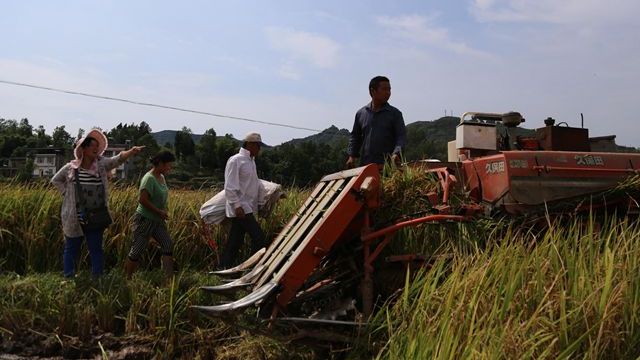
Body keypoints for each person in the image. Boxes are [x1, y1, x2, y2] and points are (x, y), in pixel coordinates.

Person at [51, 128, 144, 278]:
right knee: (72, 247)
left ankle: (97, 277)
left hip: (96, 215)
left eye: (97, 146)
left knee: (96, 248)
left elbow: (116, 160)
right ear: (83, 149)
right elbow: (55, 180)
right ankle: (69, 276)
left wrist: (131, 151)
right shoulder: (71, 168)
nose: (95, 148)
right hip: (74, 216)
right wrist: (66, 193)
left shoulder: (101, 166)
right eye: (92, 145)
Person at [124, 150, 177, 280]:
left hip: (157, 221)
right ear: (160, 164)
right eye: (168, 165)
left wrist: (163, 211)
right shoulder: (149, 179)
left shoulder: (162, 177)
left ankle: (168, 278)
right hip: (145, 220)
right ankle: (128, 278)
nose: (170, 168)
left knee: (167, 244)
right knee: (137, 249)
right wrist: (159, 212)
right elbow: (143, 200)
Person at [219, 132, 267, 269]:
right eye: (258, 145)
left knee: (235, 241)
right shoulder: (236, 160)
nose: (259, 149)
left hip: (248, 207)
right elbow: (230, 186)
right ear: (250, 144)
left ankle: (223, 268)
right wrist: (237, 205)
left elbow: (253, 185)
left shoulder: (251, 162)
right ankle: (251, 269)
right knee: (258, 237)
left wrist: (260, 203)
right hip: (241, 207)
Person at [346, 76, 407, 168]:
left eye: (389, 89)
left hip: (388, 167)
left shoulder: (395, 114)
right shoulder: (361, 113)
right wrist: (351, 156)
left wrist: (396, 153)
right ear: (373, 91)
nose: (388, 93)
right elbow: (355, 137)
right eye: (384, 89)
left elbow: (401, 137)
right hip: (365, 166)